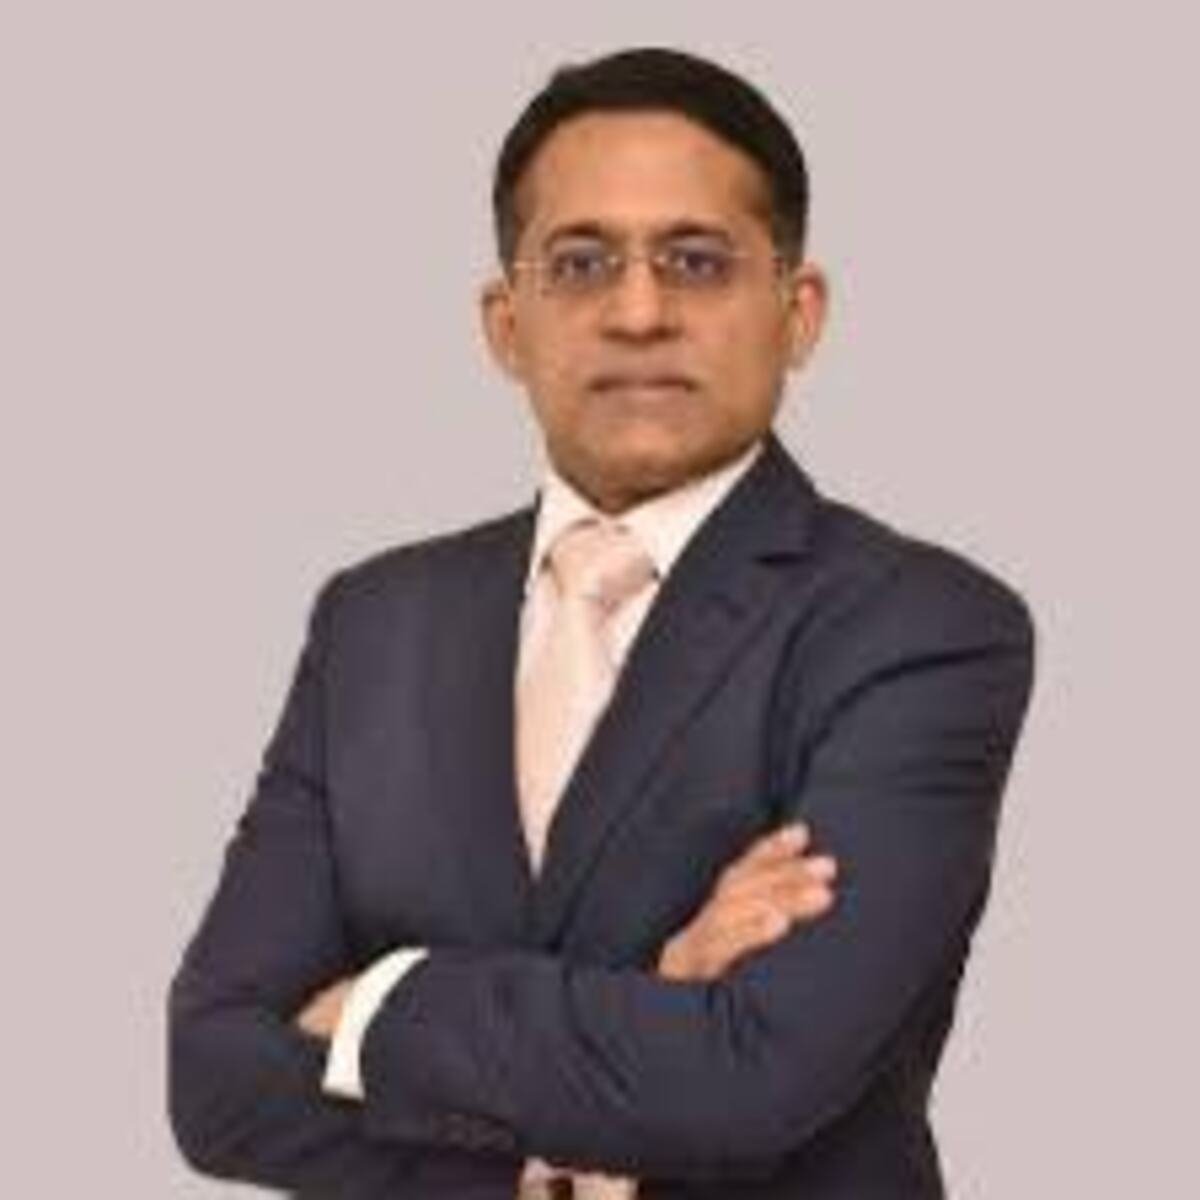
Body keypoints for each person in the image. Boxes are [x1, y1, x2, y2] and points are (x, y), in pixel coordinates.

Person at [169, 47, 1035, 1199]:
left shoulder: (919, 627)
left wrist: (378, 1003)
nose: (638, 312)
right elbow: (213, 1080)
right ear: (506, 323)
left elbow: (756, 1079)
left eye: (697, 261)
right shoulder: (373, 625)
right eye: (581, 264)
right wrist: (650, 1010)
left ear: (799, 313)